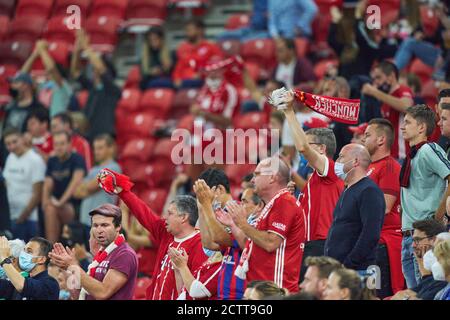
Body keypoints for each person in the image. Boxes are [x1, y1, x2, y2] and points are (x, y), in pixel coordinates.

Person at [97, 169, 207, 300]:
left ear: (183, 217)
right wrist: (123, 191)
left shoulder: (199, 243)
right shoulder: (166, 233)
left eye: (170, 213)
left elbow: (196, 289)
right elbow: (144, 213)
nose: (165, 217)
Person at [280, 92, 343, 281]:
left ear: (322, 149)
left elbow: (302, 148)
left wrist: (289, 112)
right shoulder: (314, 179)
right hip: (309, 244)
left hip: (322, 244)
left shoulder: (330, 169)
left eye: (308, 142)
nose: (303, 147)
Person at [232, 157, 306, 293]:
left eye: (257, 174)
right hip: (262, 287)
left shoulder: (284, 202)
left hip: (275, 289)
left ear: (272, 178)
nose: (252, 180)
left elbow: (270, 243)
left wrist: (243, 224)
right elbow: (253, 243)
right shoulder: (273, 204)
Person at [399, 104, 450, 288]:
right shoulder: (412, 154)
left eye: (407, 122)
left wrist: (438, 218)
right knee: (414, 293)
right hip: (407, 235)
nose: (402, 127)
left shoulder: (429, 149)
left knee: (426, 290)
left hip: (424, 234)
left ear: (421, 127)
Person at [49, 203, 138, 300]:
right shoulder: (99, 258)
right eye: (95, 225)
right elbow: (77, 296)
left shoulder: (124, 254)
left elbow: (103, 292)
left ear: (118, 227)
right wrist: (69, 271)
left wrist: (72, 266)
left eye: (105, 225)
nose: (99, 230)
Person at [324, 144, 386, 271]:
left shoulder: (369, 191)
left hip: (358, 271)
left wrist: (348, 264)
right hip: (340, 269)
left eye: (341, 157)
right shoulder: (347, 190)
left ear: (355, 161)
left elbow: (371, 234)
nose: (337, 162)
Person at [362, 118, 404, 297]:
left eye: (367, 135)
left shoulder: (389, 166)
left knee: (379, 294)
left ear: (381, 140)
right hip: (370, 241)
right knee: (369, 294)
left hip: (383, 244)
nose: (363, 139)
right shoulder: (369, 167)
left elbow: (385, 207)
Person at [193, 169, 247, 300]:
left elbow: (219, 239)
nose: (203, 196)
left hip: (237, 285)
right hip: (224, 284)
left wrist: (206, 206)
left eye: (205, 192)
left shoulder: (237, 211)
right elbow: (208, 244)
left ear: (220, 190)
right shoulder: (212, 212)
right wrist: (202, 207)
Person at [187, 57, 240, 181]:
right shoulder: (204, 89)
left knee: (214, 180)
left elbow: (228, 121)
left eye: (216, 70)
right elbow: (197, 109)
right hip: (199, 137)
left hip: (218, 139)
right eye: (209, 71)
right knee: (195, 180)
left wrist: (205, 114)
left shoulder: (229, 91)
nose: (212, 74)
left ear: (222, 71)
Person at [70, 29, 121, 142]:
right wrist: (77, 49)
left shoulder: (112, 89)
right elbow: (75, 72)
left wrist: (86, 46)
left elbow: (101, 69)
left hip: (104, 136)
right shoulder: (92, 87)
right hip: (88, 134)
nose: (93, 70)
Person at [362, 61, 414, 160]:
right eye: (374, 79)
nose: (376, 82)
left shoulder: (402, 90)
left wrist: (374, 92)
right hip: (389, 156)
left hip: (402, 155)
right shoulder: (385, 100)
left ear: (391, 76)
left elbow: (407, 107)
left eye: (378, 77)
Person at [3, 128, 46, 242]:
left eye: (14, 142)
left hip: (30, 218)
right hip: (12, 215)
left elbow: (38, 193)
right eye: (8, 144)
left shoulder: (35, 160)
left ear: (22, 139)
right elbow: (7, 183)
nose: (11, 146)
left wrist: (24, 215)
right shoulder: (10, 157)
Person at [43, 131, 86, 243]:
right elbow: (47, 184)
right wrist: (45, 202)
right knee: (49, 209)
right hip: (56, 203)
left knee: (54, 208)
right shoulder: (52, 161)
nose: (59, 147)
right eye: (56, 144)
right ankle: (51, 249)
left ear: (69, 144)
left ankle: (56, 248)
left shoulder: (77, 159)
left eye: (62, 144)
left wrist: (60, 202)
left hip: (74, 204)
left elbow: (75, 183)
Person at [391, 220, 448, 300]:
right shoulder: (429, 272)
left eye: (417, 240)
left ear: (434, 240)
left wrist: (424, 272)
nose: (413, 245)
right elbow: (418, 291)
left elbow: (427, 296)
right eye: (413, 240)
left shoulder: (443, 273)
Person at [74, 134, 121, 229]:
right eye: (95, 149)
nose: (96, 152)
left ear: (111, 148)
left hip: (102, 220)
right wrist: (90, 187)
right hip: (85, 220)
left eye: (100, 148)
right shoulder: (92, 170)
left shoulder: (114, 168)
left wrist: (87, 187)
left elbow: (90, 186)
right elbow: (76, 192)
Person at [20, 40, 72, 117]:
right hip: (42, 124)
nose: (46, 74)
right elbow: (22, 76)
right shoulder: (44, 86)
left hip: (57, 124)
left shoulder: (63, 85)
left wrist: (42, 50)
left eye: (48, 73)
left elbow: (51, 69)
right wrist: (35, 54)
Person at [172, 19, 223, 88]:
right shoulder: (183, 48)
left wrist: (202, 74)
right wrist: (176, 78)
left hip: (202, 82)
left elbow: (218, 66)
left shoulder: (211, 47)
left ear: (200, 30)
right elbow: (179, 67)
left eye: (189, 30)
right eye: (186, 30)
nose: (187, 33)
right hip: (183, 82)